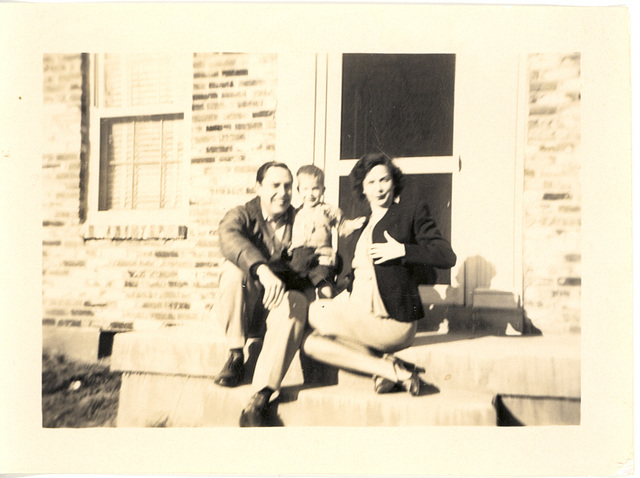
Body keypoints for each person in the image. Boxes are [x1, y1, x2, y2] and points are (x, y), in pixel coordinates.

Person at [302, 153, 457, 396]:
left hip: (392, 320)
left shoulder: (410, 213)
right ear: (362, 188)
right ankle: (390, 370)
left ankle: (388, 368)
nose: (379, 188)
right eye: (371, 182)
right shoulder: (365, 224)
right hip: (360, 315)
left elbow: (446, 256)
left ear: (394, 181)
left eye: (384, 180)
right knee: (311, 343)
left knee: (311, 311)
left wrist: (403, 250)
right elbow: (359, 274)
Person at [214, 161, 313, 427]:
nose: (283, 192)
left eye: (288, 186)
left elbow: (307, 267)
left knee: (296, 300)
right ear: (258, 187)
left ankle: (259, 398)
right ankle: (236, 355)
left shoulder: (302, 218)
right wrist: (263, 271)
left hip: (281, 309)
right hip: (249, 309)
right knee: (232, 271)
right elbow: (229, 237)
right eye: (275, 185)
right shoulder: (242, 214)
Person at [289, 165, 365, 298]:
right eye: (305, 189)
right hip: (300, 256)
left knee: (325, 290)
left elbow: (342, 226)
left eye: (315, 189)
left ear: (323, 190)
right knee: (304, 291)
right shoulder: (295, 213)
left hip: (322, 256)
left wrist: (353, 224)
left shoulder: (328, 210)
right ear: (298, 190)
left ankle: (330, 298)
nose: (310, 194)